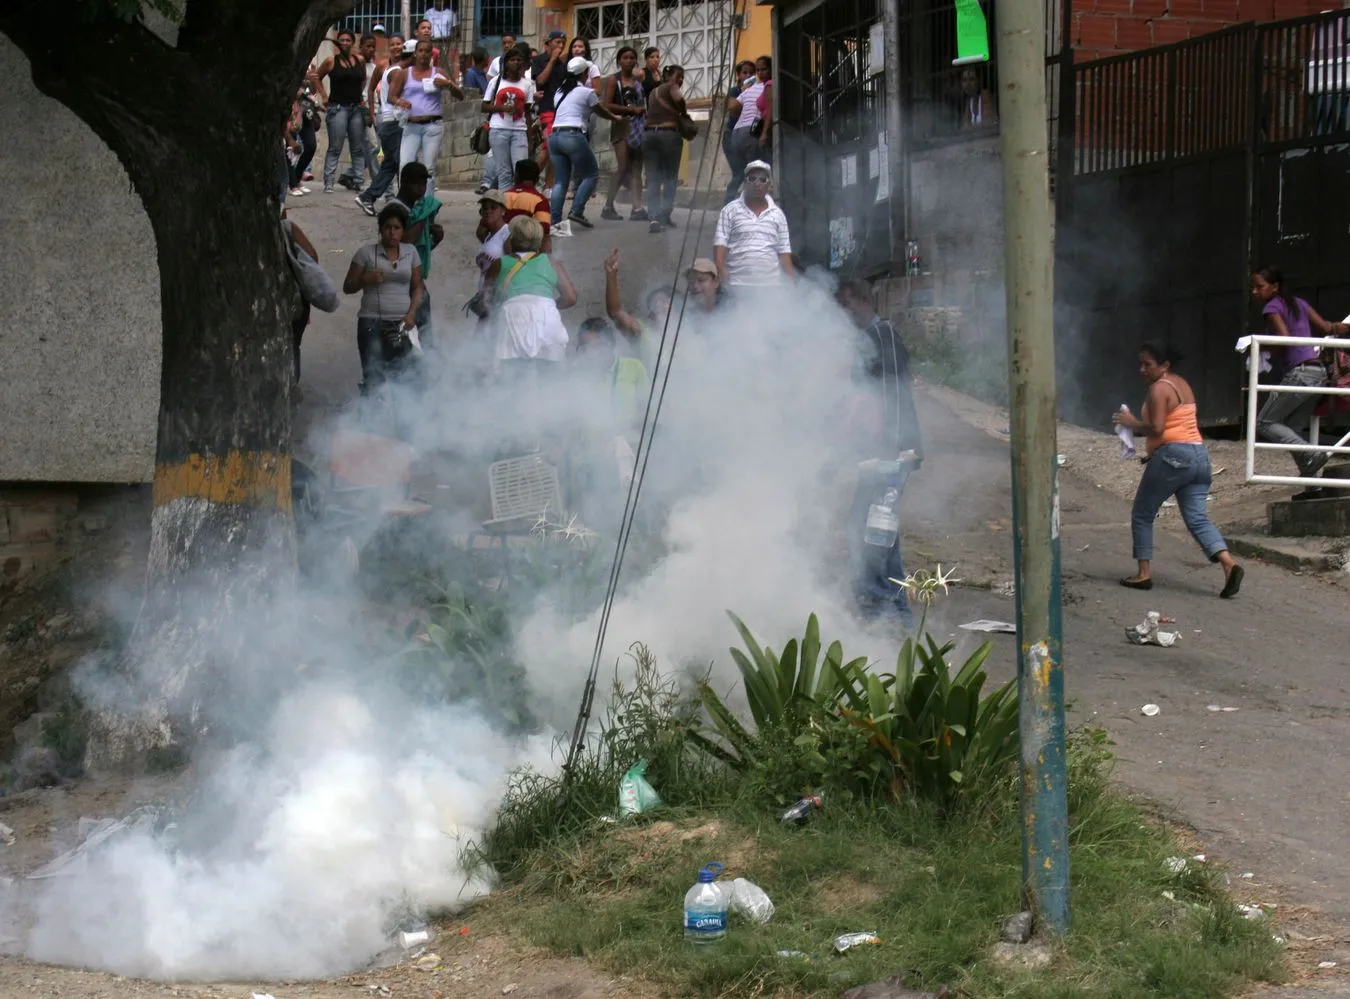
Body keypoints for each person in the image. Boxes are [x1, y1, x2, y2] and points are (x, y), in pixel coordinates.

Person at [1112, 342, 1244, 598]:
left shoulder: (1158, 388)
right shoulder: (1180, 383)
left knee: (1142, 513)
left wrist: (1132, 423)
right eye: (1140, 364)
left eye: (1147, 364)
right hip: (1199, 457)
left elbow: (1158, 427)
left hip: (1173, 457)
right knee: (1197, 518)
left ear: (1164, 365)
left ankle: (1143, 574)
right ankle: (1230, 564)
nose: (1142, 370)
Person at [835, 278, 923, 625]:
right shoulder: (868, 340)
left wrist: (896, 452)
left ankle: (887, 623)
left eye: (844, 304)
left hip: (889, 457)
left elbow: (895, 398)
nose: (841, 314)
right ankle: (891, 619)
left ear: (859, 300)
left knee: (870, 538)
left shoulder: (882, 337)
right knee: (877, 537)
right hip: (879, 457)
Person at [1251, 266, 1348, 479]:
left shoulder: (1271, 308)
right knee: (1292, 428)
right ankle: (1312, 483)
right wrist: (1340, 327)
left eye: (1260, 286)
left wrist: (1255, 348)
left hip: (1300, 373)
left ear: (1274, 287)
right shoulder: (1299, 303)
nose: (1255, 292)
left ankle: (1312, 453)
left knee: (1264, 422)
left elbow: (1283, 338)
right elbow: (1326, 327)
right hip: (1318, 373)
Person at [342, 202, 424, 391]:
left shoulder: (411, 253)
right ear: (380, 230)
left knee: (403, 377)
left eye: (397, 228)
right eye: (387, 227)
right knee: (374, 378)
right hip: (372, 324)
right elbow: (348, 287)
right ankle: (372, 417)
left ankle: (399, 419)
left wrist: (412, 314)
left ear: (403, 231)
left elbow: (417, 287)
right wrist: (365, 279)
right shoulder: (366, 253)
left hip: (403, 324)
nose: (392, 232)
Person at [488, 216, 579, 372]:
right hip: (547, 317)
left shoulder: (499, 263)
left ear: (512, 239)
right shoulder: (550, 262)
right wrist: (546, 304)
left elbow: (487, 299)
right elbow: (570, 298)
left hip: (514, 318)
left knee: (512, 377)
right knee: (549, 377)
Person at [548, 56, 622, 236]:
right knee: (591, 174)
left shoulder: (559, 91)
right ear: (584, 73)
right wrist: (615, 118)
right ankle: (577, 210)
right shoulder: (586, 92)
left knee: (560, 182)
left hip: (555, 136)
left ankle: (556, 223)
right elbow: (600, 110)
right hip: (573, 135)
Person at [388, 39, 462, 193]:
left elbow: (460, 95)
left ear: (431, 54)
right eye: (420, 51)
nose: (423, 54)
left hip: (432, 125)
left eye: (427, 51)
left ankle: (427, 205)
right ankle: (404, 200)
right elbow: (391, 96)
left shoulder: (438, 72)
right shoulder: (404, 73)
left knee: (429, 168)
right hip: (411, 125)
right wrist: (401, 102)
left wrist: (448, 84)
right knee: (405, 165)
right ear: (415, 53)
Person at [713, 160, 794, 290]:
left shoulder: (778, 215)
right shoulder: (729, 210)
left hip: (770, 286)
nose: (757, 183)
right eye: (752, 178)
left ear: (769, 184)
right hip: (737, 285)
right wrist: (720, 269)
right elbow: (720, 243)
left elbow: (784, 251)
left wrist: (790, 283)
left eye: (763, 179)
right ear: (745, 183)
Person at [357, 37, 414, 215]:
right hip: (392, 122)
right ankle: (391, 200)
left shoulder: (396, 69)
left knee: (392, 163)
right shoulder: (397, 72)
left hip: (390, 122)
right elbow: (393, 99)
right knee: (398, 163)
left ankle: (372, 197)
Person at [388, 162, 443, 344]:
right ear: (403, 183)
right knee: (406, 331)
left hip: (413, 277)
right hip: (399, 279)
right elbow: (404, 244)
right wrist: (422, 220)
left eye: (423, 186)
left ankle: (427, 364)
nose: (421, 190)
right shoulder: (395, 209)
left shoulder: (415, 208)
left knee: (424, 327)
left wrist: (434, 238)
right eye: (416, 185)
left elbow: (416, 251)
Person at [314, 29, 370, 193]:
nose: (345, 43)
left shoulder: (359, 60)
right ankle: (329, 182)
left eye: (348, 40)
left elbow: (363, 80)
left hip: (356, 107)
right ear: (338, 43)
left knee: (357, 146)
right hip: (337, 108)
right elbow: (316, 76)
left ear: (353, 43)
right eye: (342, 40)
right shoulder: (331, 61)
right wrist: (323, 95)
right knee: (335, 146)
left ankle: (359, 180)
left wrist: (359, 95)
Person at [601, 47, 648, 222]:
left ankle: (637, 208)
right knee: (623, 167)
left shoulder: (637, 81)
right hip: (621, 126)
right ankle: (608, 206)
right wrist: (630, 109)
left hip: (638, 126)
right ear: (619, 61)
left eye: (631, 57)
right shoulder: (615, 79)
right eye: (625, 57)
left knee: (636, 167)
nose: (628, 61)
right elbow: (607, 104)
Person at [482, 47, 535, 194]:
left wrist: (529, 138)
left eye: (519, 60)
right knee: (504, 172)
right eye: (513, 60)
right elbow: (484, 106)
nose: (516, 63)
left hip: (519, 131)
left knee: (522, 170)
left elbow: (528, 113)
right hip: (499, 130)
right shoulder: (496, 82)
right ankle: (505, 206)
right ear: (506, 63)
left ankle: (519, 203)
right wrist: (502, 108)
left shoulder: (527, 84)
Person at [643, 65, 689, 234]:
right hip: (668, 135)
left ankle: (653, 217)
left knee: (653, 178)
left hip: (648, 135)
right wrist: (683, 112)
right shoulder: (672, 86)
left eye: (682, 77)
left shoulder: (653, 92)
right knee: (670, 177)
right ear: (669, 77)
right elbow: (679, 100)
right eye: (679, 76)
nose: (681, 80)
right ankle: (665, 215)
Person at [724, 57, 767, 202]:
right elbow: (732, 110)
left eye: (751, 72)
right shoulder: (736, 90)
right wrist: (744, 92)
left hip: (747, 133)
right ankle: (728, 203)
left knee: (749, 171)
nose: (748, 75)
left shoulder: (759, 88)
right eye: (744, 72)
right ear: (739, 75)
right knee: (739, 173)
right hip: (732, 134)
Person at [532, 32, 569, 182]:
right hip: (546, 108)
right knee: (549, 145)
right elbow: (540, 81)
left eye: (563, 43)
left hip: (561, 110)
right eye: (558, 42)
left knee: (556, 149)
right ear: (549, 43)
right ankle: (528, 179)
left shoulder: (563, 65)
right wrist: (552, 60)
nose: (560, 46)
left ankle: (548, 185)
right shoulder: (539, 61)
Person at [502, 158, 552, 242]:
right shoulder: (540, 200)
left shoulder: (503, 196)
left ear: (516, 176)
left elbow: (483, 229)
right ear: (537, 179)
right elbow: (544, 230)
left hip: (501, 246)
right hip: (526, 248)